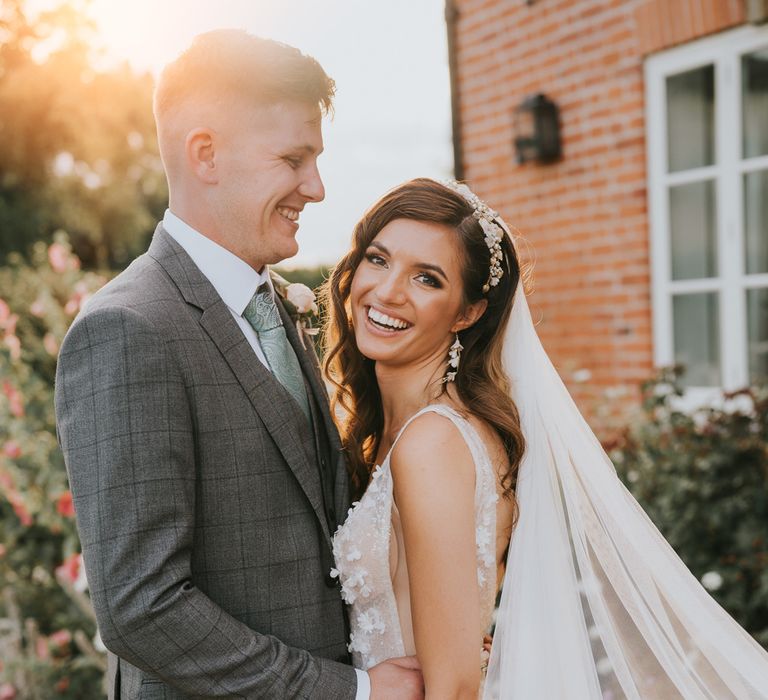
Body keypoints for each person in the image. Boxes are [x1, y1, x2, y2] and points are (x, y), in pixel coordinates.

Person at [54, 30, 422, 699]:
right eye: (293, 158)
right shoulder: (127, 329)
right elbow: (143, 608)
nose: (315, 186)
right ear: (206, 154)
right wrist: (352, 694)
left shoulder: (278, 304)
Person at [324, 178, 768, 699]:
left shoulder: (433, 444)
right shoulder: (423, 430)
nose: (387, 291)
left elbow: (454, 687)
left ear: (468, 313)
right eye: (379, 259)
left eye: (427, 278)